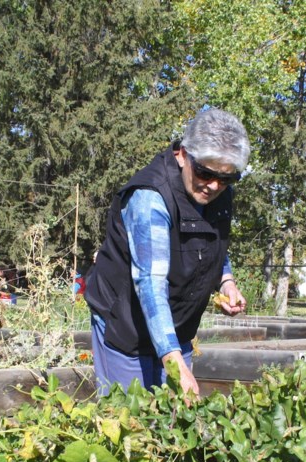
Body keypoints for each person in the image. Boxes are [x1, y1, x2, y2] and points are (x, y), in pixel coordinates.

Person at [83, 108, 248, 398]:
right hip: (125, 325)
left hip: (175, 325)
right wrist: (174, 362)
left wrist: (226, 281)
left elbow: (214, 242)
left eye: (226, 179)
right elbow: (150, 283)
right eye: (205, 173)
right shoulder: (150, 198)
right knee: (128, 423)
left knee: (174, 421)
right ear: (183, 154)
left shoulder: (217, 193)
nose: (213, 185)